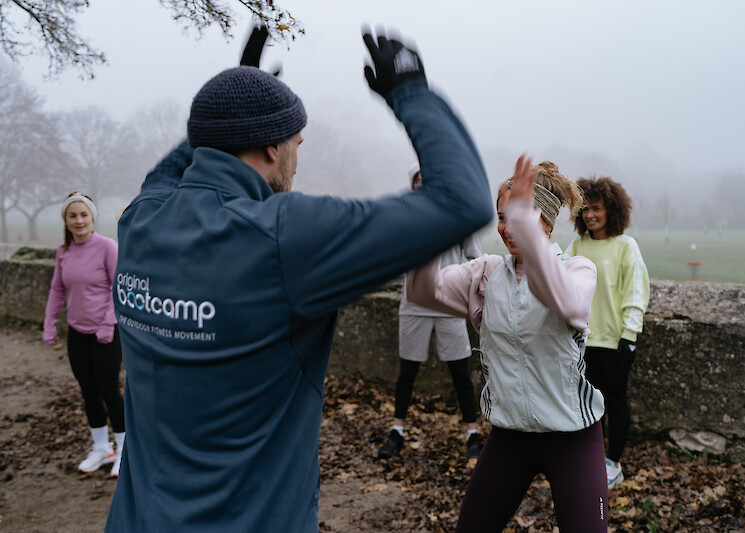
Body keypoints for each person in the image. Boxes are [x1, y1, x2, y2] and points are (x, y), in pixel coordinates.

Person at [105, 28, 494, 532]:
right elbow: (464, 202)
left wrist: (236, 95)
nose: (297, 156)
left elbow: (184, 159)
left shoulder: (142, 220)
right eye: (296, 142)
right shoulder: (283, 237)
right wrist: (411, 92)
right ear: (273, 148)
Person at [406, 156, 608, 532]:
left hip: (572, 437)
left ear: (547, 222)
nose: (507, 227)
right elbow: (421, 291)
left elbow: (563, 300)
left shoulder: (577, 271)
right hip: (509, 436)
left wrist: (524, 227)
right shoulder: (486, 275)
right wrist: (430, 220)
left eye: (520, 216)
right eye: (502, 217)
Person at [377, 165, 484, 461]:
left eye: (428, 179)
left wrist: (470, 287)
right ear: (413, 185)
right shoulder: (405, 218)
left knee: (460, 371)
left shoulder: (459, 215)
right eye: (418, 181)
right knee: (407, 371)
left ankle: (472, 434)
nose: (422, 185)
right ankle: (396, 432)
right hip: (413, 303)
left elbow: (476, 257)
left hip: (449, 303)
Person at [565, 175, 650, 490]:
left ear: (611, 210)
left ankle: (613, 463)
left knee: (615, 402)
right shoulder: (577, 246)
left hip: (615, 342)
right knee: (589, 404)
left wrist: (630, 336)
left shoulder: (626, 246)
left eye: (596, 209)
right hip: (583, 341)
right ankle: (592, 459)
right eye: (585, 209)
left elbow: (635, 291)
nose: (590, 215)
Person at [43, 192, 125, 478]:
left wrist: (107, 324)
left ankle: (124, 450)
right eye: (72, 216)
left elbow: (119, 288)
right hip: (77, 333)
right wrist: (50, 323)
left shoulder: (107, 247)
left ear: (92, 218)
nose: (79, 220)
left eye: (83, 215)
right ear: (66, 220)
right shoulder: (63, 251)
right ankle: (102, 449)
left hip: (106, 333)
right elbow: (57, 289)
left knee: (108, 389)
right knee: (88, 390)